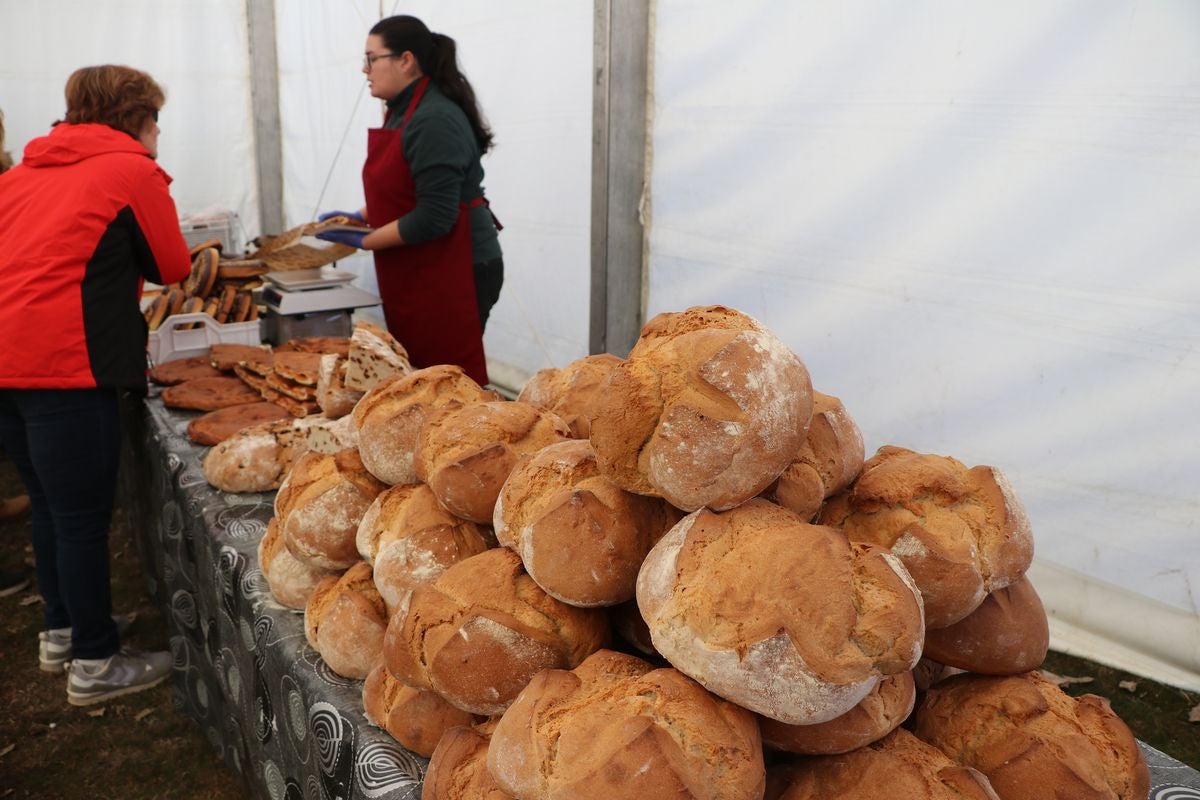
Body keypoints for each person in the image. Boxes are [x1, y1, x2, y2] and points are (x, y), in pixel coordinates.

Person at [0, 65, 192, 705]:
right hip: (65, 365)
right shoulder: (132, 169)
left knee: (50, 506)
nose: (159, 131)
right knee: (81, 517)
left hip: (7, 364)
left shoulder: (19, 175)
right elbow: (172, 265)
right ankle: (95, 662)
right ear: (138, 117)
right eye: (156, 119)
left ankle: (65, 629)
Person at [317, 14, 504, 386]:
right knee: (420, 379)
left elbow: (436, 214)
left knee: (446, 385)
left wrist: (364, 239)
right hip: (424, 263)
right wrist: (359, 217)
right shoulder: (401, 110)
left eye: (372, 58)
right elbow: (406, 189)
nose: (363, 69)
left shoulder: (434, 118)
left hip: (457, 264)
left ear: (406, 60)